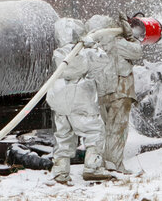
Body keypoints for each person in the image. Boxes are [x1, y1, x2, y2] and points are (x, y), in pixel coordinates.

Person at [46, 18, 113, 185]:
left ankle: (60, 172)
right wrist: (93, 46)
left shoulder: (58, 52)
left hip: (59, 97)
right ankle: (92, 167)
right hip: (80, 98)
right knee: (95, 132)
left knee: (63, 136)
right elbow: (102, 61)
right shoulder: (82, 52)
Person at [85, 13, 143, 173]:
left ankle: (104, 163)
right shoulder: (117, 43)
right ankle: (115, 166)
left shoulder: (92, 47)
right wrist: (130, 35)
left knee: (106, 130)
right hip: (120, 92)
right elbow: (137, 52)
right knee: (118, 130)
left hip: (103, 94)